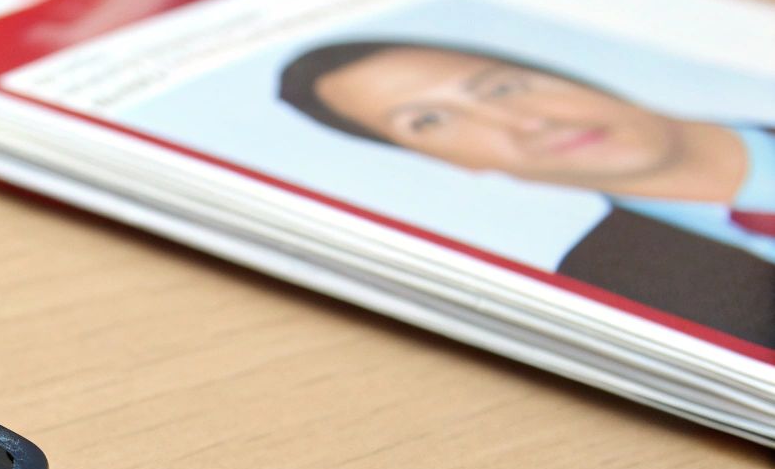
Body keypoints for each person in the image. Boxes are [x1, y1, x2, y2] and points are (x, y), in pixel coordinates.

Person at [276, 39, 774, 348]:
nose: (528, 122)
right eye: (429, 121)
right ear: (448, 163)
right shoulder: (609, 286)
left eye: (502, 87)